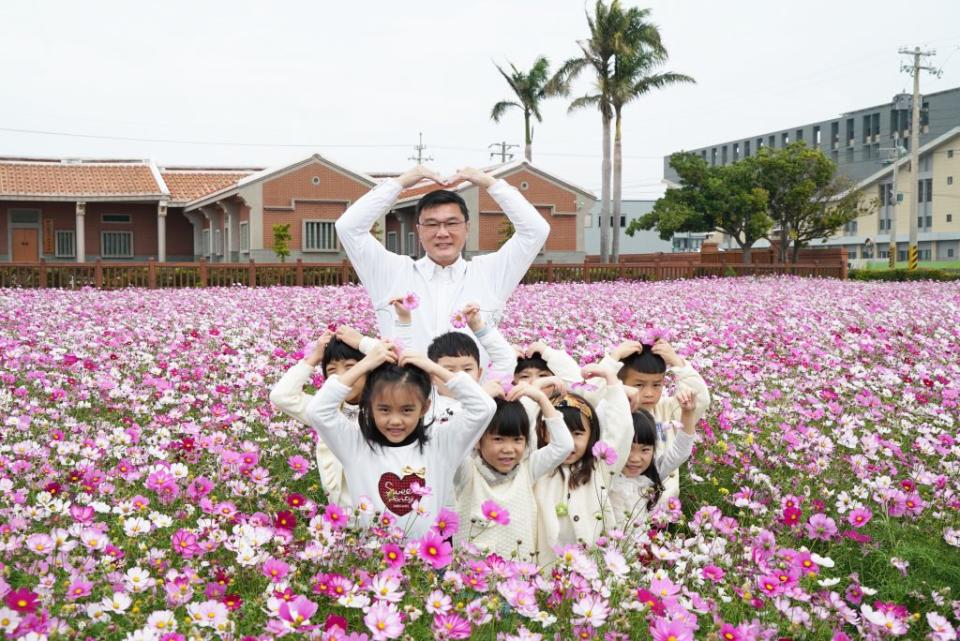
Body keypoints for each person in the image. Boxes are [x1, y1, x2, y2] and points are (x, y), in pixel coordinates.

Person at [335, 165, 550, 356]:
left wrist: (488, 182)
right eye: (431, 224)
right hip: (407, 398)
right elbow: (348, 227)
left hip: (476, 398)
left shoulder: (489, 272)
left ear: (467, 227)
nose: (442, 233)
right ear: (418, 230)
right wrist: (403, 181)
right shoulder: (392, 272)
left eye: (452, 223)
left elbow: (536, 231)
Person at [304, 342, 496, 539]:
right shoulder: (355, 445)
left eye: (407, 410)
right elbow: (317, 410)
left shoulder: (440, 444)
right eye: (384, 409)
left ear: (424, 408)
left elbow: (484, 407)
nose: (395, 421)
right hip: (373, 562)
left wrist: (432, 367)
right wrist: (365, 364)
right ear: (369, 406)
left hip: (428, 560)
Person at [453, 382, 573, 560]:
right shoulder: (466, 471)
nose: (508, 449)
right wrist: (479, 397)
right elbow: (451, 438)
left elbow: (564, 445)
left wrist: (542, 400)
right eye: (498, 439)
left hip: (518, 580)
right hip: (471, 581)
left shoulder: (527, 469)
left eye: (517, 439)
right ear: (477, 440)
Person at [268, 328, 377, 507]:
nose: (343, 377)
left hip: (380, 513)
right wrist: (314, 358)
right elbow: (281, 396)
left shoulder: (385, 413)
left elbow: (408, 368)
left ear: (368, 368)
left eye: (350, 368)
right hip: (344, 518)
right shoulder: (325, 412)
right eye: (332, 372)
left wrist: (364, 344)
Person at [533, 364, 632, 560]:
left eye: (578, 433)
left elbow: (621, 430)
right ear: (543, 432)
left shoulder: (599, 467)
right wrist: (536, 389)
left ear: (591, 436)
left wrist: (611, 377)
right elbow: (525, 426)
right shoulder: (536, 467)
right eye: (558, 431)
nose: (568, 442)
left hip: (589, 571)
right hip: (544, 571)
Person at [598, 339, 710, 501]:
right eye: (639, 385)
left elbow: (700, 399)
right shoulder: (611, 411)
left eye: (657, 385)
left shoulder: (667, 410)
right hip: (614, 504)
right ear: (620, 383)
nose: (649, 393)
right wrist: (614, 357)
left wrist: (676, 362)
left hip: (661, 509)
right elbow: (592, 393)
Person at [609, 390, 698, 530]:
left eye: (645, 450)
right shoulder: (603, 472)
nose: (635, 459)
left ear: (653, 450)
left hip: (634, 547)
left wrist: (688, 413)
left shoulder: (653, 472)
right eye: (627, 449)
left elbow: (680, 451)